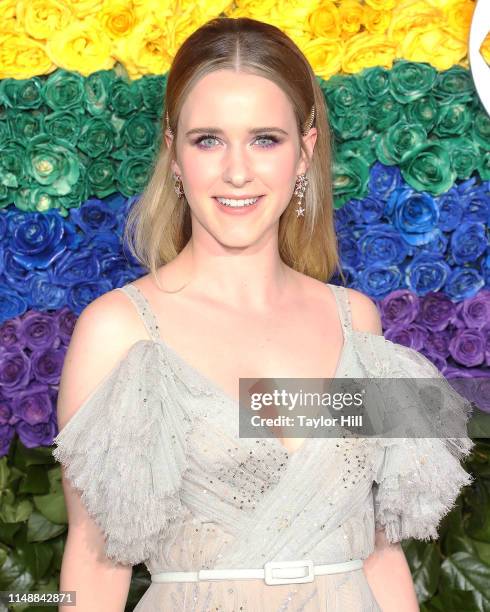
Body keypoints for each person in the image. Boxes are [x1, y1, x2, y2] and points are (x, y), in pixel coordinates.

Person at [52, 17, 475, 612]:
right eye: (208, 140)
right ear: (173, 155)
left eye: (264, 139)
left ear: (305, 151)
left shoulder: (359, 324)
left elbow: (379, 550)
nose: (237, 171)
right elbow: (95, 563)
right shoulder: (117, 331)